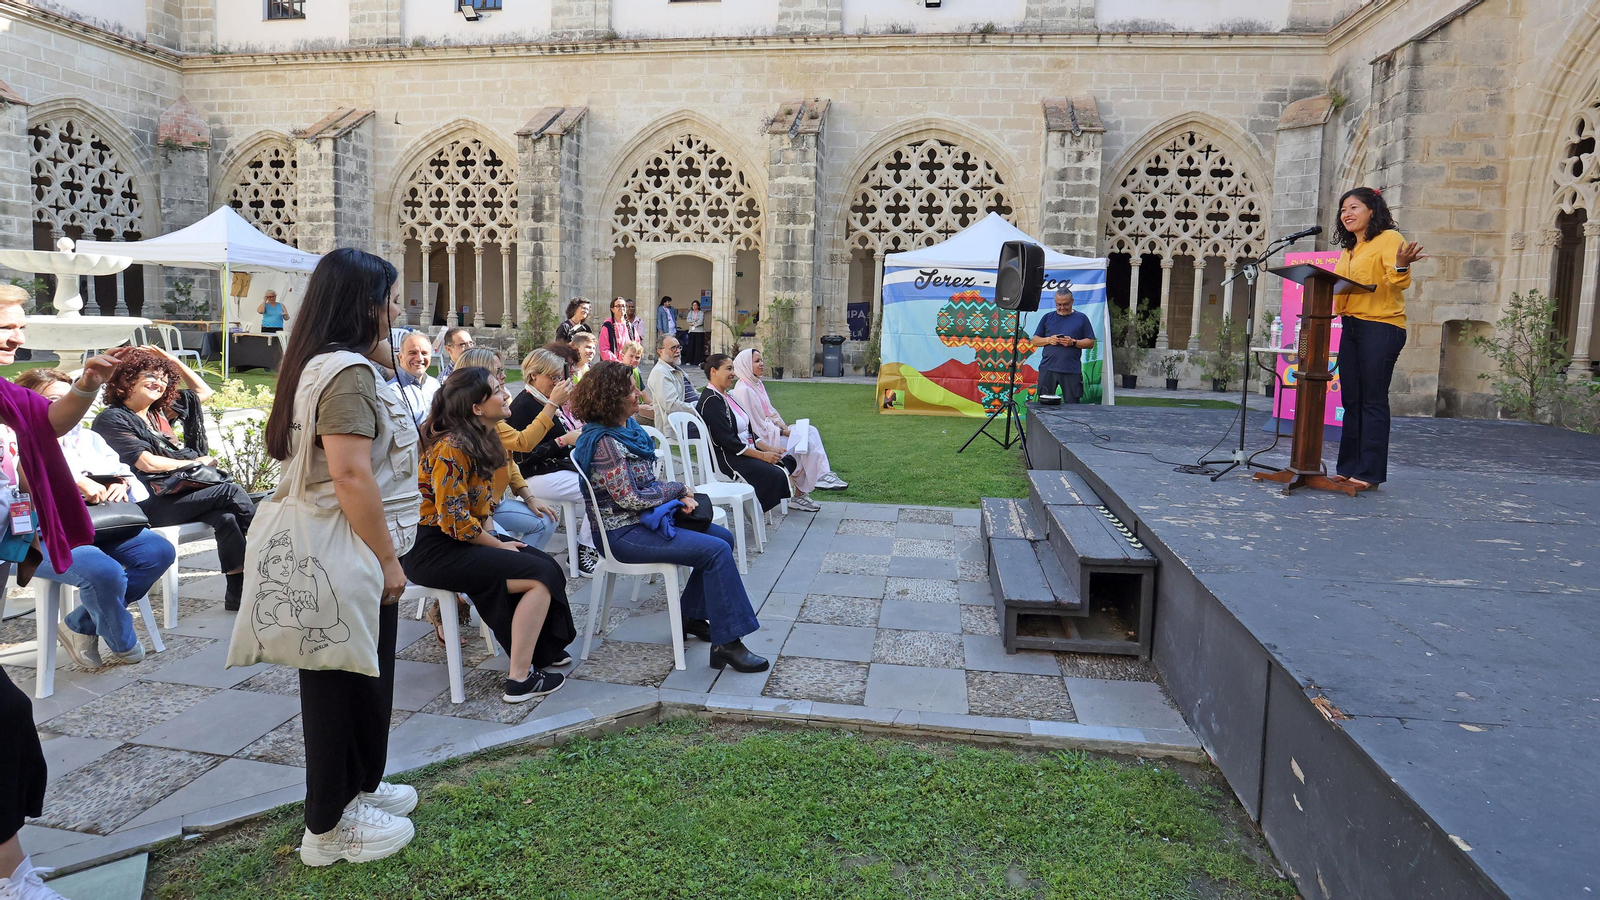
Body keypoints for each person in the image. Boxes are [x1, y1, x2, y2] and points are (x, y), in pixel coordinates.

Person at [259, 247, 424, 867]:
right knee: (339, 684)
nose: (397, 310)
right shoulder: (346, 374)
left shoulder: (328, 364)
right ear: (363, 304)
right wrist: (388, 560)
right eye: (387, 299)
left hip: (336, 548)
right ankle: (328, 825)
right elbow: (352, 475)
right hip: (347, 550)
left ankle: (360, 789)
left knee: (360, 674)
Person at [0, 286, 124, 900]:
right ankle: (11, 878)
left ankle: (12, 872)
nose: (15, 335)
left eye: (19, 325)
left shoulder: (3, 394)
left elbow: (47, 422)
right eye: (5, 324)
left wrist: (88, 383)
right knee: (5, 718)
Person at [571, 361, 767, 673]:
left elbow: (646, 485)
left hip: (644, 520)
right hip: (622, 534)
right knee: (715, 551)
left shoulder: (628, 430)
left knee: (723, 538)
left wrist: (681, 495)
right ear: (611, 399)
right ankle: (727, 643)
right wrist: (678, 490)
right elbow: (630, 498)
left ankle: (690, 614)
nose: (639, 394)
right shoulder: (604, 443)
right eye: (630, 391)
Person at [402, 366, 575, 702]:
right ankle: (520, 680)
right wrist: (495, 545)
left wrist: (497, 541)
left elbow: (479, 510)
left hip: (462, 540)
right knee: (538, 576)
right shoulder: (452, 448)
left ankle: (542, 650)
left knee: (545, 563)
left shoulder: (483, 438)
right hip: (434, 550)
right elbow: (453, 520)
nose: (506, 393)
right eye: (497, 389)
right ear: (477, 408)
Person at [15, 369, 177, 670]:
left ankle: (79, 624)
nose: (65, 405)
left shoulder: (87, 437)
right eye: (52, 399)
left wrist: (120, 482)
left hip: (100, 522)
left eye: (70, 397)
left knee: (159, 552)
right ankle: (123, 642)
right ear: (24, 401)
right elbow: (17, 486)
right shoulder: (11, 436)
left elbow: (123, 473)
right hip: (42, 532)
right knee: (104, 572)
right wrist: (74, 483)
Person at [93, 347, 257, 611]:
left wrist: (172, 361)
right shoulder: (112, 419)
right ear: (127, 378)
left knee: (227, 518)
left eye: (164, 379)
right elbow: (145, 462)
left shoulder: (158, 415)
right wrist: (194, 462)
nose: (159, 382)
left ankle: (236, 594)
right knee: (230, 491)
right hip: (146, 503)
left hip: (177, 495)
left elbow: (203, 393)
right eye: (150, 375)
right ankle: (274, 549)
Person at [1332, 186, 1425, 491]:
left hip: (1381, 327)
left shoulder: (1389, 239)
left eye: (1354, 207)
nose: (1347, 213)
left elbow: (1396, 281)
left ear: (1372, 210)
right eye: (1344, 209)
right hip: (1352, 326)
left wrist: (1401, 265)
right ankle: (1348, 467)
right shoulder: (1348, 249)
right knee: (1351, 400)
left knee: (1372, 399)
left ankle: (1369, 472)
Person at [453, 347, 560, 552]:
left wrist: (528, 497)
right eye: (498, 372)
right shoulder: (471, 425)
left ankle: (518, 566)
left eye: (502, 371)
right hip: (477, 516)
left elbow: (508, 461)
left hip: (494, 504)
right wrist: (554, 404)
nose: (503, 377)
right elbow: (523, 443)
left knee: (546, 521)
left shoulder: (495, 412)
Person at [510, 349, 599, 575]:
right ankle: (583, 549)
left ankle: (594, 544)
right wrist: (563, 440)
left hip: (554, 468)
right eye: (553, 377)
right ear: (533, 376)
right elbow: (520, 456)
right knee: (596, 487)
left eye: (560, 377)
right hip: (531, 476)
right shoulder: (523, 406)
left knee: (604, 475)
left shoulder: (543, 400)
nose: (557, 382)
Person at [731, 348, 847, 509]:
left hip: (773, 431)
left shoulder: (756, 384)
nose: (762, 364)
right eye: (757, 361)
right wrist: (784, 432)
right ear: (745, 364)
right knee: (805, 443)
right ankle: (810, 486)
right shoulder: (744, 390)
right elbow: (755, 427)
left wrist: (783, 426)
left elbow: (770, 412)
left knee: (809, 433)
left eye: (761, 360)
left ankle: (820, 477)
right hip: (764, 440)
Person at [696, 353, 795, 512]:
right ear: (713, 371)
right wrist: (762, 456)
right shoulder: (711, 401)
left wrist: (769, 448)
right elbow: (728, 442)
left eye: (733, 368)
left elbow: (747, 430)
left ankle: (755, 505)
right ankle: (753, 508)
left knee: (788, 460)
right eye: (728, 369)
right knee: (775, 473)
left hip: (742, 450)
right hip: (729, 459)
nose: (733, 373)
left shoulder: (726, 396)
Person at [1029, 285, 1097, 403]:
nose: (1062, 307)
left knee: (1072, 406)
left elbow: (1090, 343)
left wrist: (1073, 342)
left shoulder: (1081, 318)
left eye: (1065, 304)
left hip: (1071, 370)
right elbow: (1035, 340)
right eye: (1058, 304)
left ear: (1072, 302)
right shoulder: (1047, 318)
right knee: (1044, 406)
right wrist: (1048, 340)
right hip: (1048, 368)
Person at [648, 334, 700, 425]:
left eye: (679, 347)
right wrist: (700, 406)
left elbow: (693, 393)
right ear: (660, 352)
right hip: (679, 429)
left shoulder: (676, 369)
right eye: (673, 348)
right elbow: (672, 406)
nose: (678, 351)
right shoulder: (659, 372)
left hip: (693, 421)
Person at [390, 331, 439, 425]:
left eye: (424, 353)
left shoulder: (434, 385)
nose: (420, 358)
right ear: (401, 357)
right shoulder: (392, 390)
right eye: (413, 353)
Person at [616, 340, 655, 425]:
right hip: (626, 414)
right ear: (623, 356)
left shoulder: (636, 371)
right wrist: (642, 407)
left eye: (637, 357)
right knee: (656, 422)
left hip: (638, 408)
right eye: (631, 356)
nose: (634, 360)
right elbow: (621, 405)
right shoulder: (618, 373)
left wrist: (653, 404)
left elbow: (644, 394)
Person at [597, 297, 630, 363]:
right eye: (618, 306)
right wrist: (618, 363)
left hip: (628, 365)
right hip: (612, 366)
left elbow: (636, 345)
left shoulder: (630, 327)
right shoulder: (607, 327)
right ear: (612, 309)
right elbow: (604, 350)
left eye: (623, 306)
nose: (621, 308)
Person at [686, 299, 709, 365]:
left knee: (698, 347)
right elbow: (688, 320)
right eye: (693, 305)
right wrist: (695, 320)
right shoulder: (690, 313)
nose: (694, 306)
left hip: (699, 332)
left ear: (698, 306)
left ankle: (698, 361)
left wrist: (693, 324)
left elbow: (701, 321)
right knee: (691, 346)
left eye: (695, 305)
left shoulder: (701, 313)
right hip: (692, 331)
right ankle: (689, 361)